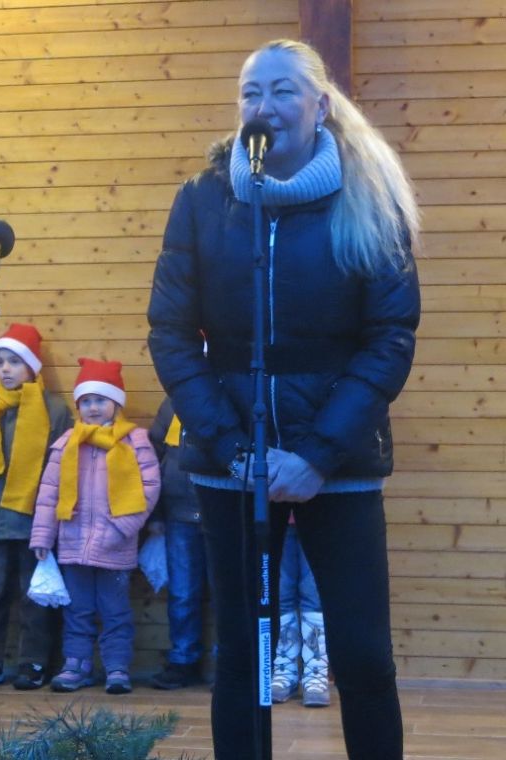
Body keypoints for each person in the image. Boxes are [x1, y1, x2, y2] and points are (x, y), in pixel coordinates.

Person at [146, 39, 421, 760]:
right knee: (242, 653)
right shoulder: (204, 199)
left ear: (321, 105)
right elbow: (170, 334)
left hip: (339, 461)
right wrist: (235, 449)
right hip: (230, 460)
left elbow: (389, 339)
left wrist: (318, 455)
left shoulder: (370, 195)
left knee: (363, 655)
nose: (263, 106)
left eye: (282, 90)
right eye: (251, 92)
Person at [29, 359, 160, 695]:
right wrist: (43, 536)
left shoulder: (135, 441)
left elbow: (149, 489)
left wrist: (120, 529)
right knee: (77, 611)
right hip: (73, 545)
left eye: (100, 400)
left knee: (116, 611)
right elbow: (49, 493)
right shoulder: (67, 443)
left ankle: (117, 667)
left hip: (116, 545)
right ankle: (77, 664)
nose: (93, 407)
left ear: (116, 403)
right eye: (86, 401)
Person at [0, 323, 74, 690]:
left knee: (36, 596)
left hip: (36, 519)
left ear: (32, 365)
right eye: (0, 362)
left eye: (14, 361)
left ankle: (34, 661)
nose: (5, 369)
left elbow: (62, 466)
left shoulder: (55, 409)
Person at [147, 396, 210, 690]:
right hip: (178, 513)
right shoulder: (173, 402)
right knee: (182, 593)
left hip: (223, 513)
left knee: (228, 594)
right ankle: (183, 660)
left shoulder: (232, 393)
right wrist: (156, 514)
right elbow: (153, 456)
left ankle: (231, 662)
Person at [273, 519, 330, 707]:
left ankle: (316, 672)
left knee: (314, 597)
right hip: (276, 516)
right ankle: (284, 670)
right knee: (281, 595)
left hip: (318, 517)